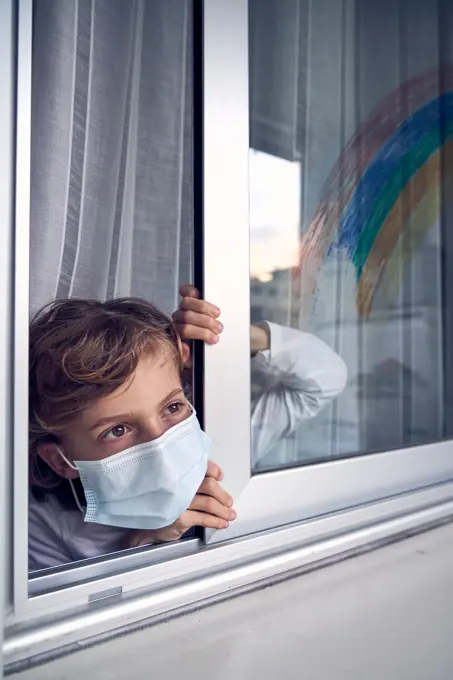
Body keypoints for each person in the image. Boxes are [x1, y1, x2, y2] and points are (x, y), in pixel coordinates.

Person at [29, 287, 347, 571]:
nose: (161, 444)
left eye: (172, 407)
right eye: (118, 430)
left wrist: (231, 339)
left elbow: (325, 377)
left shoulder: (219, 455)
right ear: (59, 461)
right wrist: (138, 547)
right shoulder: (38, 523)